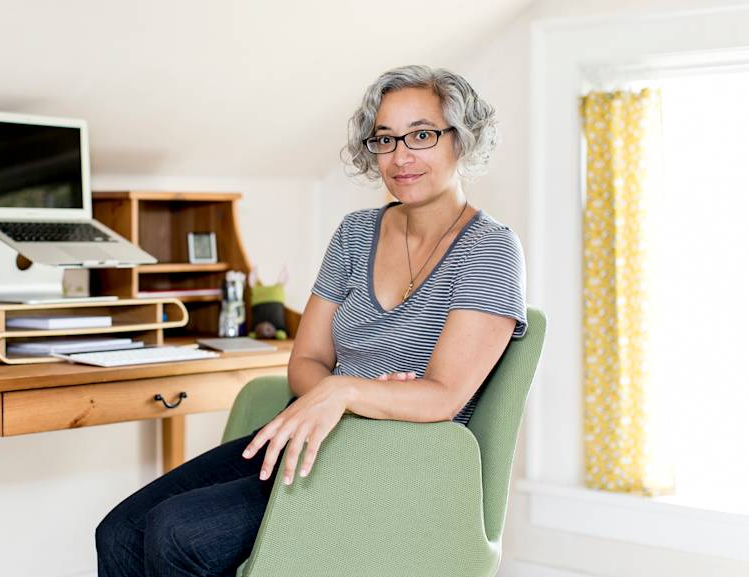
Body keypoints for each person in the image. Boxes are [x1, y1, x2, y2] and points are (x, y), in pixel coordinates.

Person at [95, 64, 527, 577]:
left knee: (178, 535)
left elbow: (441, 396)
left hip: (402, 463)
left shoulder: (490, 249)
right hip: (316, 438)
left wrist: (342, 392)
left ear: (462, 140)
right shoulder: (354, 233)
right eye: (385, 139)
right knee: (120, 530)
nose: (400, 156)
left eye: (423, 135)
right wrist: (340, 393)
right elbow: (308, 359)